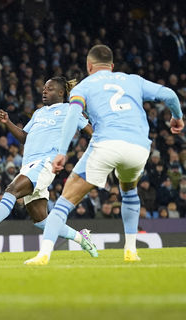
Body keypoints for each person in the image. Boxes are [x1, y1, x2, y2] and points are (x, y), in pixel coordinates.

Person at [26, 45, 184, 264]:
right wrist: (177, 117)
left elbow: (72, 115)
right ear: (112, 66)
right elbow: (170, 94)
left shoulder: (84, 86)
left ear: (89, 66)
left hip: (106, 144)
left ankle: (43, 254)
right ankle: (131, 250)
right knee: (129, 191)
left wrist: (62, 152)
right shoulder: (132, 80)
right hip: (139, 147)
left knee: (65, 200)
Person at [0, 77, 98, 256]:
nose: (44, 91)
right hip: (29, 166)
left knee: (12, 190)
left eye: (49, 89)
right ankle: (81, 238)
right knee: (41, 221)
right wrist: (8, 122)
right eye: (44, 88)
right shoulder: (39, 113)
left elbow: (90, 131)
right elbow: (24, 137)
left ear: (61, 92)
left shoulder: (70, 110)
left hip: (45, 163)